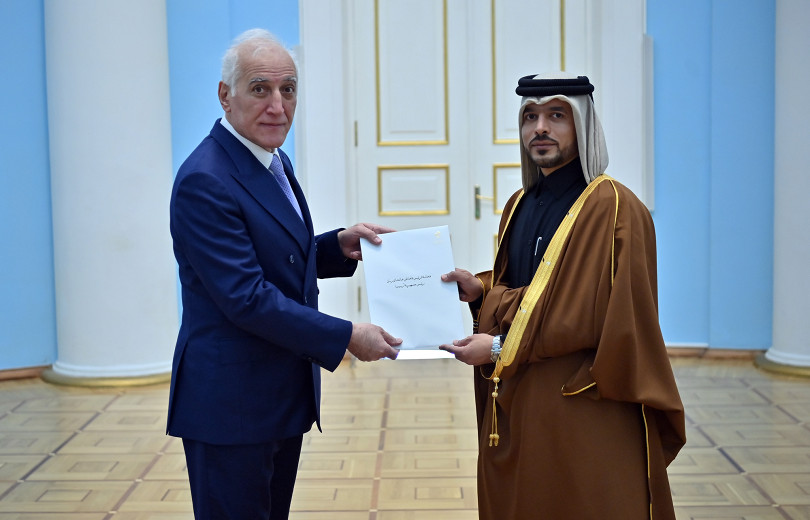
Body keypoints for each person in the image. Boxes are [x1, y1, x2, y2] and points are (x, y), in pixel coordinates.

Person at [167, 29, 401, 520]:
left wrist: (335, 247)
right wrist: (346, 336)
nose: (278, 106)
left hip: (275, 398)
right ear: (225, 95)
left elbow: (271, 256)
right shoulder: (205, 179)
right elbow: (247, 296)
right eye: (261, 89)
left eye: (288, 89)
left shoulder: (270, 159)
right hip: (230, 410)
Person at [439, 72, 686, 519]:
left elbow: (590, 316)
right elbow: (532, 289)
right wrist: (481, 291)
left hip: (582, 398)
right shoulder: (519, 202)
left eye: (557, 115)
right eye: (529, 117)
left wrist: (496, 346)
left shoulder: (614, 207)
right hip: (520, 393)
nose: (540, 128)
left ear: (583, 125)